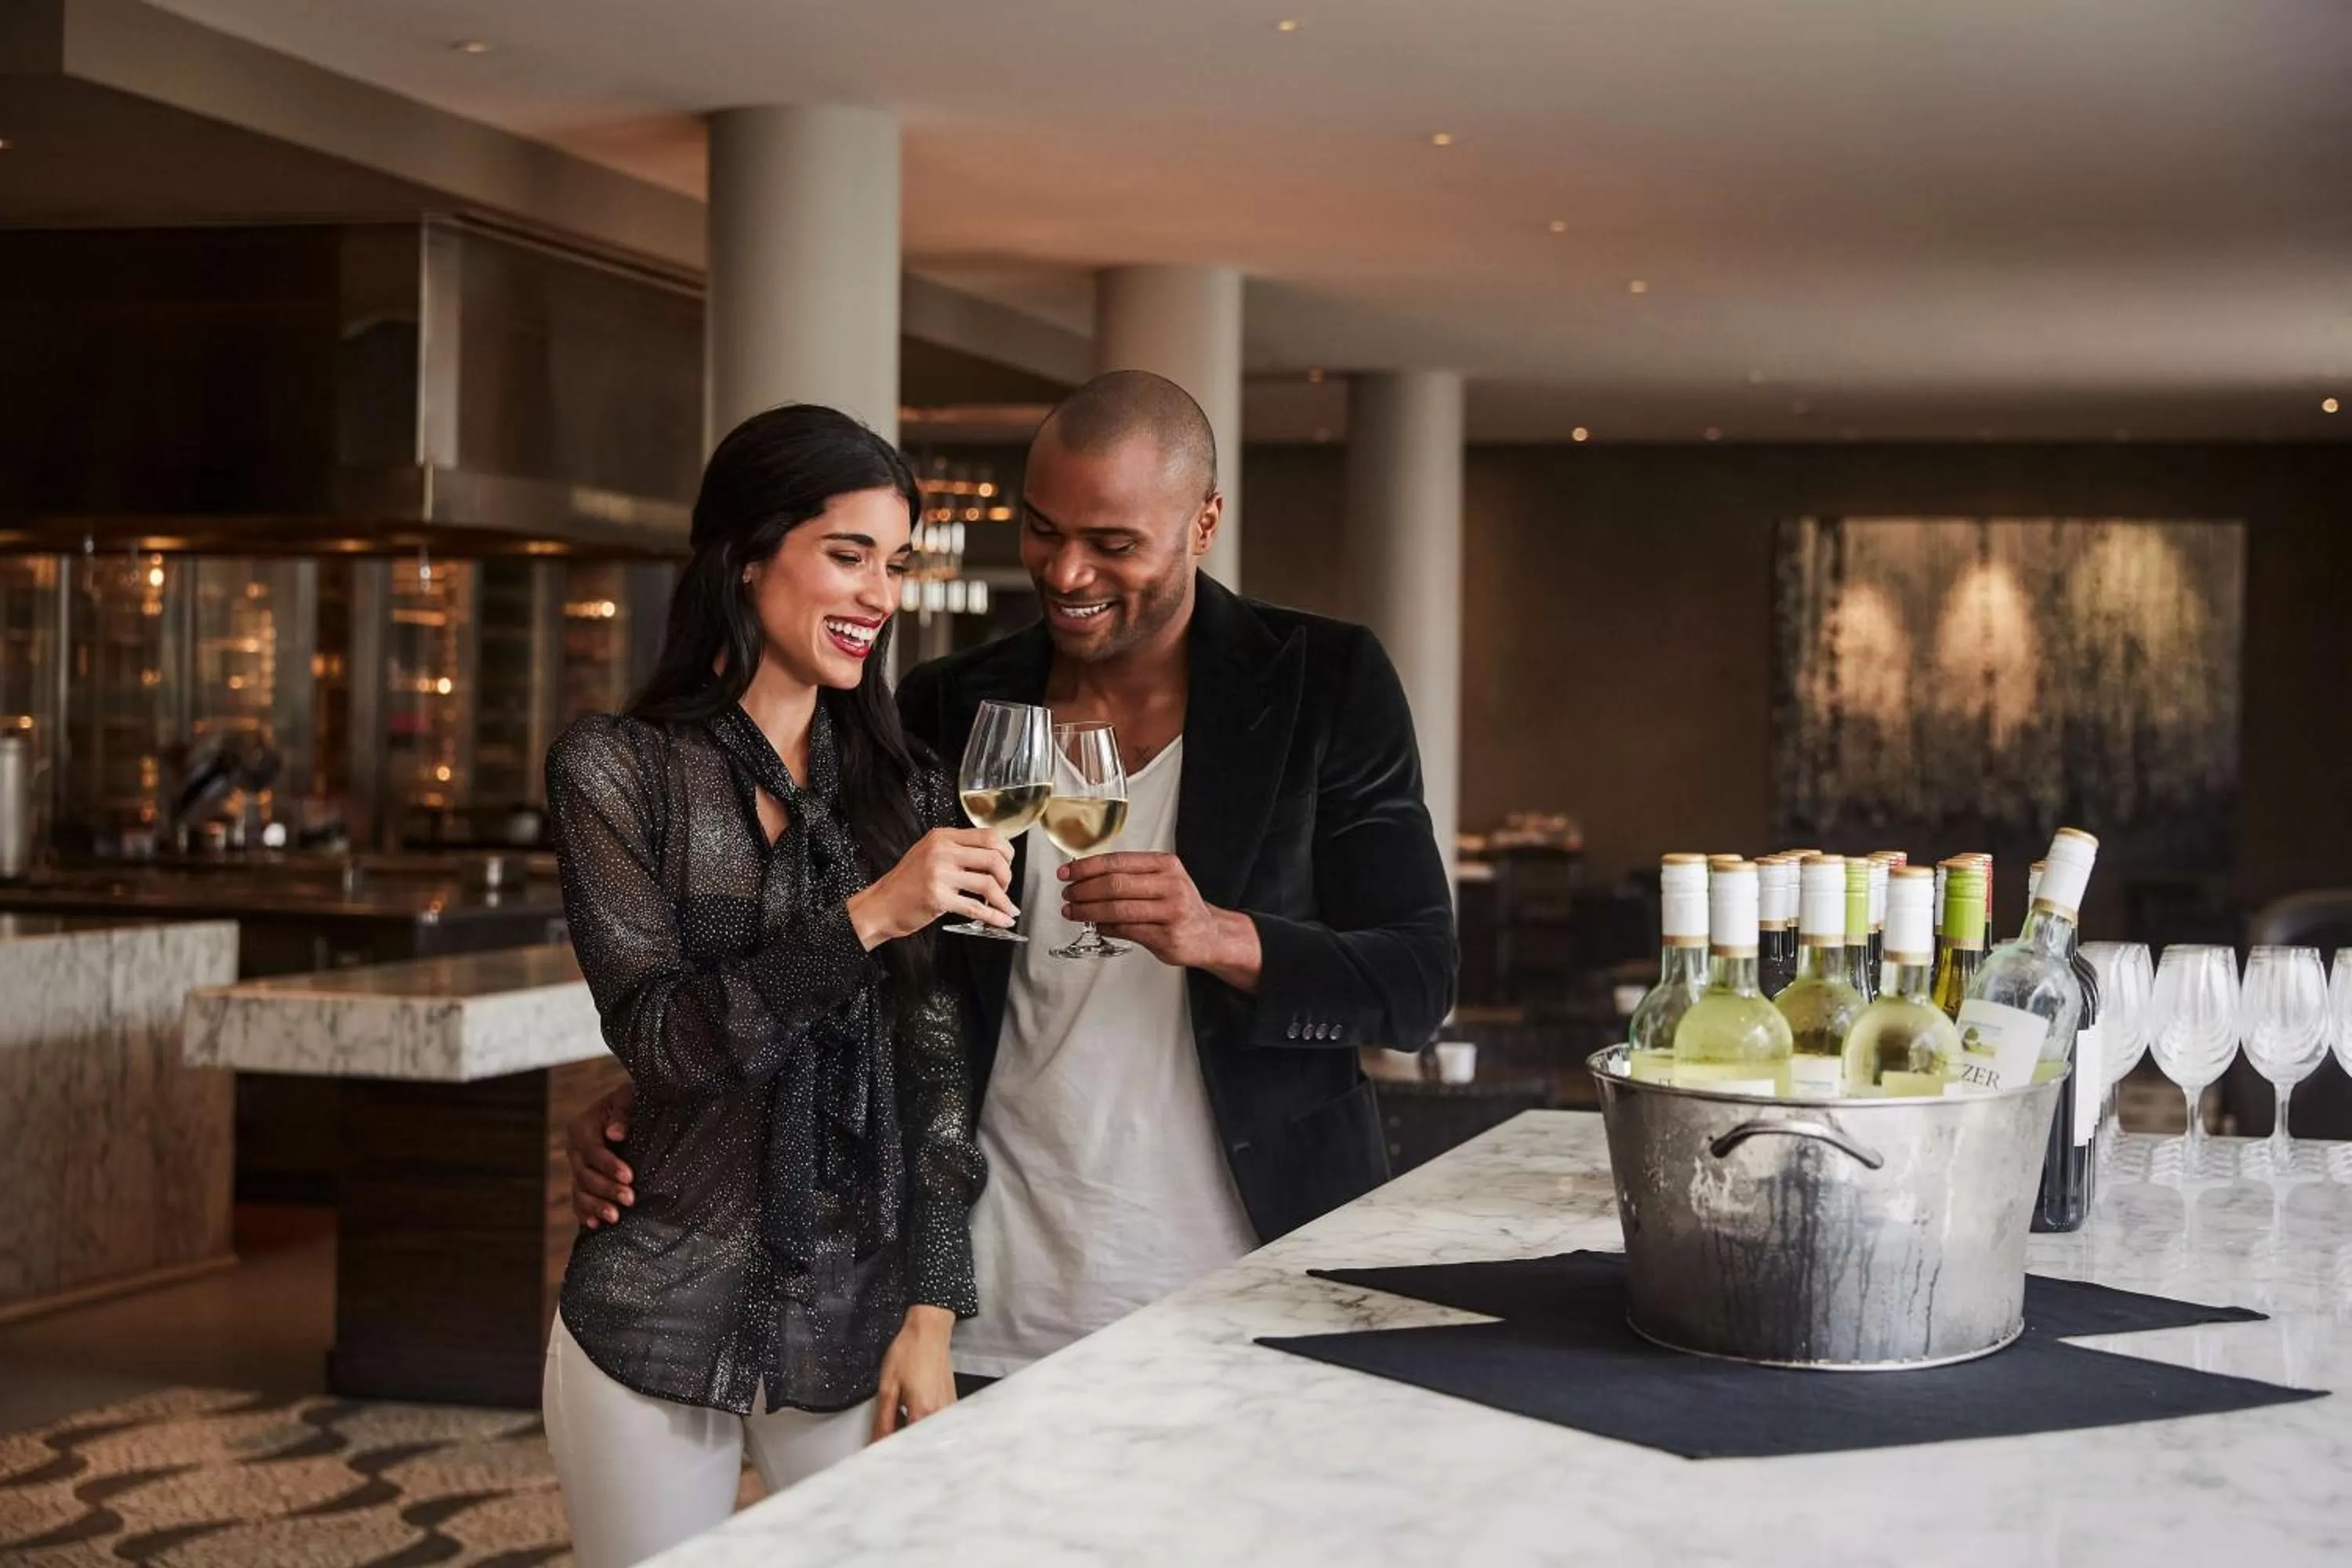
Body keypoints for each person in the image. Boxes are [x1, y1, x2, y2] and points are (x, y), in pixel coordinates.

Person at [568, 371, 1457, 1389]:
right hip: (987, 1291)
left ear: (1204, 522)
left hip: (1248, 1274)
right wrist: (656, 1098)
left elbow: (1417, 984)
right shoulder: (949, 702)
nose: (1067, 570)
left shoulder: (1325, 683)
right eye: (1043, 529)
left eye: (1114, 544)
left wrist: (1222, 936)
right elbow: (873, 976)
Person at [540, 404, 1006, 1568]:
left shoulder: (913, 787)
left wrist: (933, 1313)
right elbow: (661, 1040)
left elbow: (935, 1075)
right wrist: (867, 916)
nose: (879, 596)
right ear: (745, 559)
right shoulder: (617, 770)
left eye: (895, 564)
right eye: (847, 555)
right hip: (654, 1299)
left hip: (857, 1314)